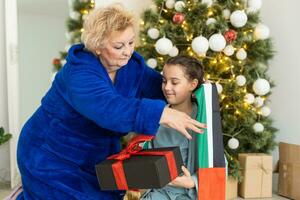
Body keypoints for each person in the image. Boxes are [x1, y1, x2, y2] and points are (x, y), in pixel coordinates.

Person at [16, 4, 206, 200]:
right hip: (51, 153)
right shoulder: (79, 73)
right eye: (118, 46)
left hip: (97, 155)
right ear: (97, 46)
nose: (128, 51)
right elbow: (109, 108)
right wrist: (161, 114)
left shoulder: (131, 67)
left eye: (131, 43)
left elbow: (161, 87)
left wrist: (195, 87)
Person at [140, 55, 205, 200]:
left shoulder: (202, 118)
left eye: (174, 82)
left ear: (192, 84)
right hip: (158, 192)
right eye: (164, 81)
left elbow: (217, 162)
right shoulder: (157, 115)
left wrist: (193, 181)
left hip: (189, 194)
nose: (167, 87)